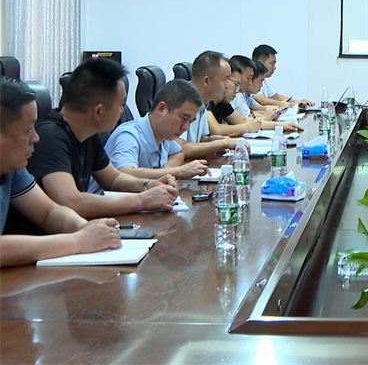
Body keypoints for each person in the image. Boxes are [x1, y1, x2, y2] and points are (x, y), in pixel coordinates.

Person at [9, 59, 178, 235]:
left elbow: (112, 179)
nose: (122, 111)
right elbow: (70, 201)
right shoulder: (50, 137)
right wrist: (142, 200)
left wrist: (149, 185)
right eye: (121, 105)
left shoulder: (88, 134)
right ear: (98, 111)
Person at [0, 78, 120, 267]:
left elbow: (48, 212)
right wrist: (77, 241)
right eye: (27, 130)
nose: (36, 138)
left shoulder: (12, 170)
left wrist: (84, 226)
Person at [104, 79, 211, 181]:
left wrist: (165, 170)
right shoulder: (128, 136)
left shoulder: (164, 135)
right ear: (161, 109)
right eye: (184, 118)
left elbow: (179, 153)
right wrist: (178, 171)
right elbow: (123, 174)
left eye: (190, 122)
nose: (186, 127)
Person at [208, 59, 302, 135]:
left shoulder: (223, 103)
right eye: (236, 84)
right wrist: (247, 127)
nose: (237, 90)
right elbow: (217, 130)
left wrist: (282, 126)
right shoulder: (206, 102)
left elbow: (244, 121)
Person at [176, 51, 238, 160]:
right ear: (206, 81)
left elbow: (200, 139)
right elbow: (180, 148)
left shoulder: (203, 102)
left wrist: (220, 140)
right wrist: (223, 144)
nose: (227, 86)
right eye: (225, 79)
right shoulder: (182, 101)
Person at [251, 44, 313, 108]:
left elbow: (276, 97)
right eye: (272, 64)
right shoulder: (252, 79)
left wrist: (297, 102)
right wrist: (283, 104)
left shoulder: (264, 82)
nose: (274, 68)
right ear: (260, 62)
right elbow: (261, 100)